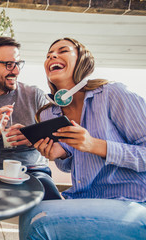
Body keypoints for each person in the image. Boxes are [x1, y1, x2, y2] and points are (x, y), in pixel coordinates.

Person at [19, 37, 146, 239]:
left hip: (133, 202)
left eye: (63, 51)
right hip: (84, 199)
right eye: (49, 54)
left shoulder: (113, 94)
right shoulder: (49, 114)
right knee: (30, 213)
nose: (52, 55)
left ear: (82, 61)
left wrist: (96, 145)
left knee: (39, 223)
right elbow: (70, 166)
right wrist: (60, 155)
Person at [0, 37, 61, 200]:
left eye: (18, 64)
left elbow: (57, 134)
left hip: (34, 170)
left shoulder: (35, 95)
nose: (16, 71)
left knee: (54, 206)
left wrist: (31, 137)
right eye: (9, 65)